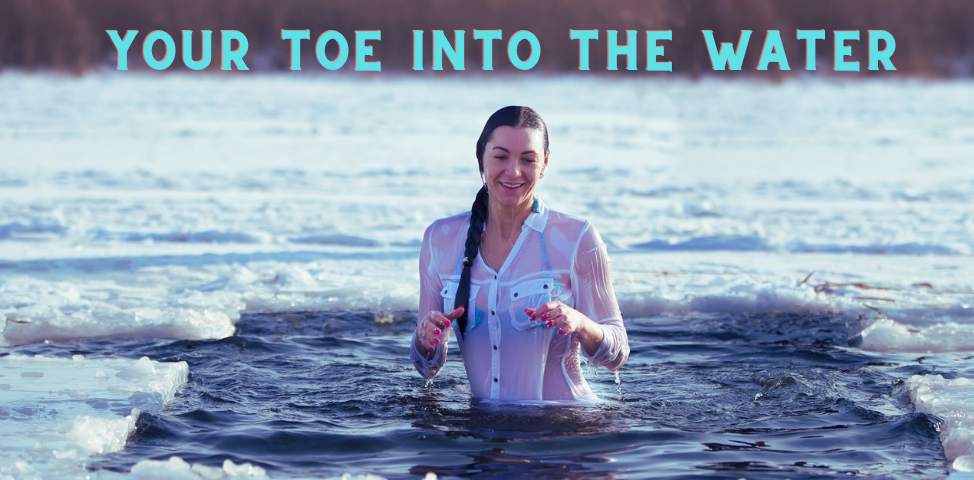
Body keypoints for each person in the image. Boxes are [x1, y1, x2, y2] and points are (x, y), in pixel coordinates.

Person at [410, 106, 629, 402]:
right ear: (481, 159)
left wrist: (581, 323)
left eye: (528, 160)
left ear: (544, 165)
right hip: (483, 431)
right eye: (501, 157)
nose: (513, 171)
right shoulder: (440, 239)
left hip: (567, 430)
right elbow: (427, 366)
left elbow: (618, 353)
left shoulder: (577, 238)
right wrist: (425, 340)